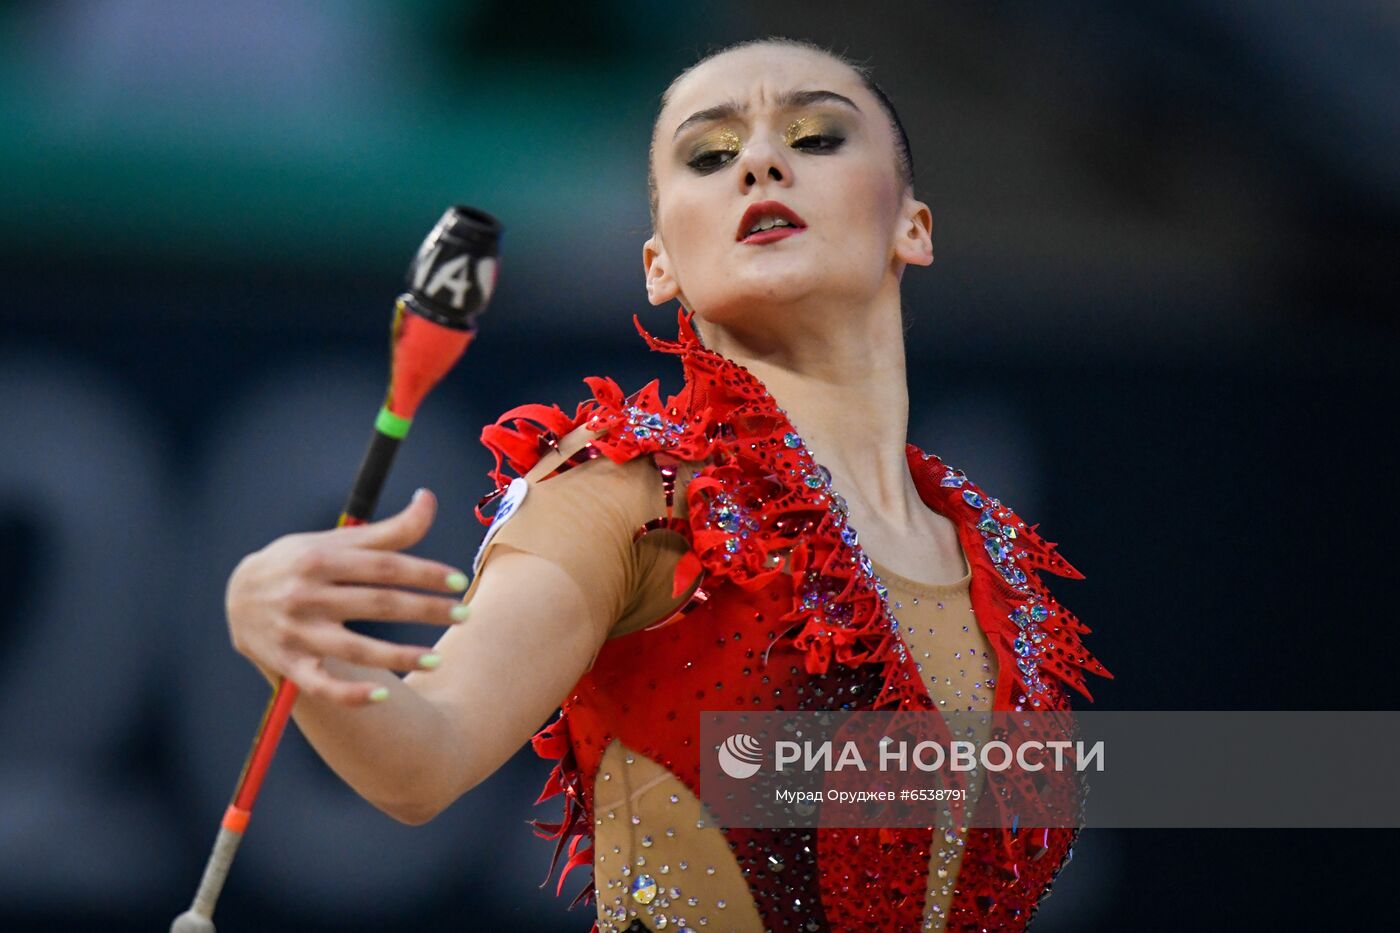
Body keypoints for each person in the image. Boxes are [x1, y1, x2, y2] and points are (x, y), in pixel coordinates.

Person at [225, 36, 1112, 932]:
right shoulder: (635, 493)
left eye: (815, 137)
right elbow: (424, 755)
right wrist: (293, 636)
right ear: (660, 265)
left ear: (911, 226)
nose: (762, 160)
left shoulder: (995, 559)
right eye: (711, 154)